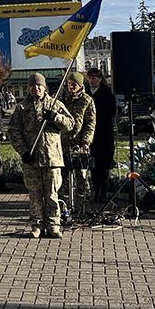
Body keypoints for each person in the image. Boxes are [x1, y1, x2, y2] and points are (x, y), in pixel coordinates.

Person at [8, 73, 74, 239]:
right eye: (32, 86)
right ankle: (37, 225)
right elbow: (14, 131)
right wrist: (23, 151)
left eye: (39, 86)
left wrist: (56, 118)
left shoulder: (54, 104)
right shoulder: (22, 108)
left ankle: (53, 225)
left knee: (52, 194)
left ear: (44, 87)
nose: (35, 88)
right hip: (32, 158)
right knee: (35, 195)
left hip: (52, 158)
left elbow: (71, 124)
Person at [56, 72, 96, 219]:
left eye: (74, 84)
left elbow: (90, 123)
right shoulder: (59, 99)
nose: (71, 87)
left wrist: (86, 141)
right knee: (63, 179)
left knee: (82, 178)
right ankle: (64, 208)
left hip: (79, 145)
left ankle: (84, 208)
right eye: (69, 84)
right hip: (61, 144)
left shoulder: (87, 101)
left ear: (80, 86)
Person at [85, 68, 116, 201]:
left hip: (104, 132)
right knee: (93, 163)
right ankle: (95, 190)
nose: (92, 80)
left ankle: (103, 191)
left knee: (104, 163)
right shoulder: (84, 92)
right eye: (90, 77)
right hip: (89, 133)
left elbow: (111, 111)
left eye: (95, 77)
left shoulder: (107, 92)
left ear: (100, 78)